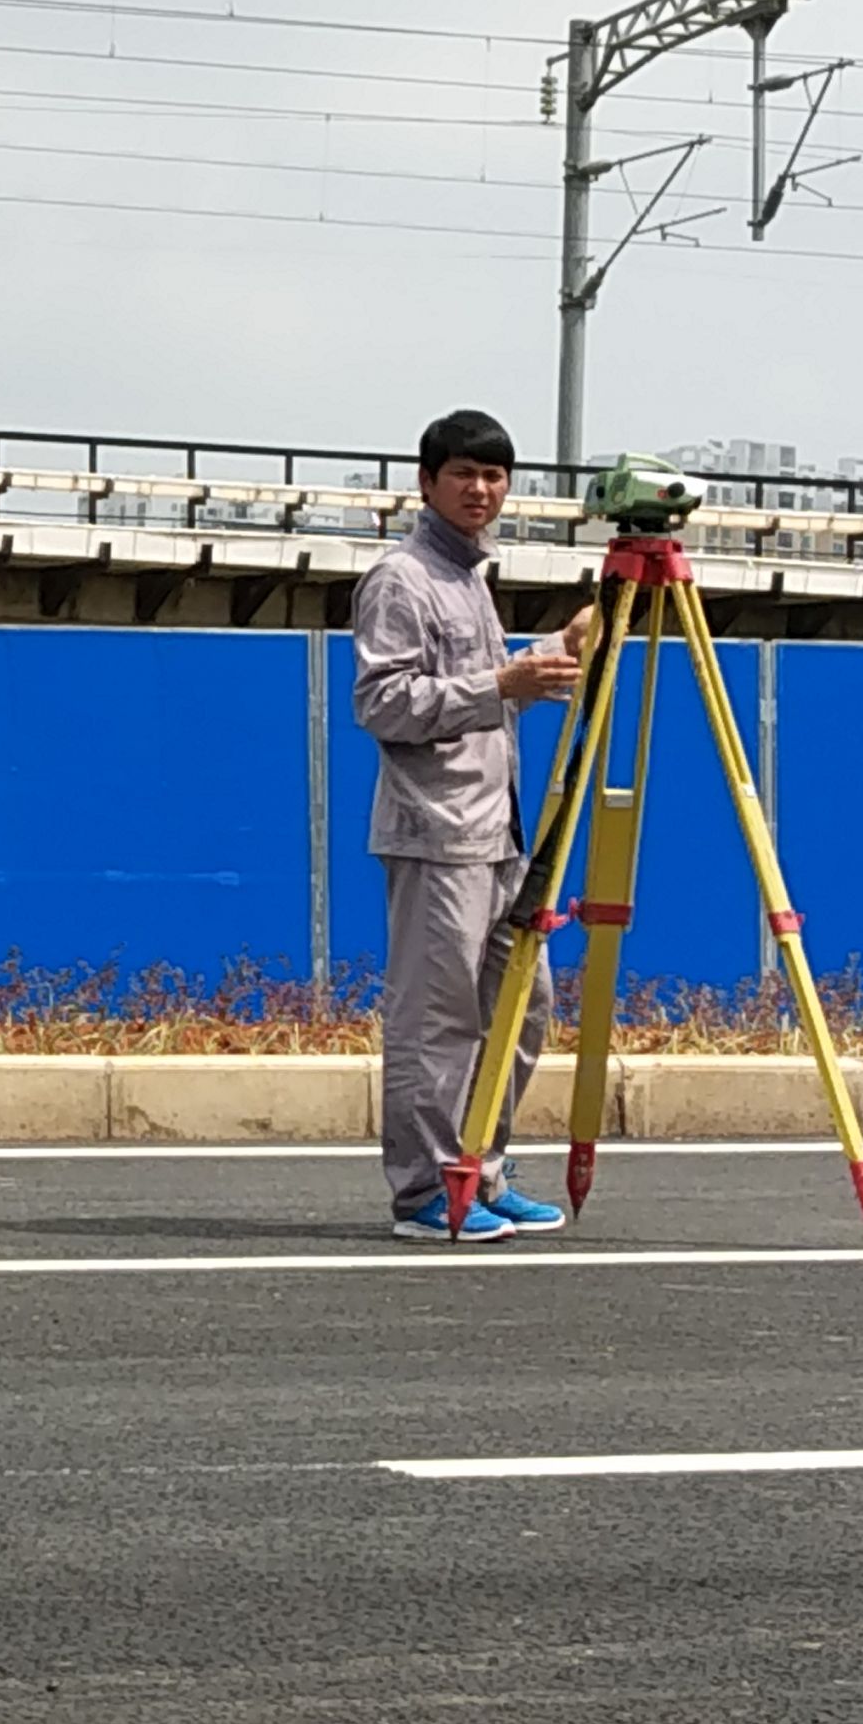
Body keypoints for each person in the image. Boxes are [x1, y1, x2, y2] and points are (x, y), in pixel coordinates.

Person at [353, 409, 588, 1245]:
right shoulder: (402, 579)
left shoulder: (472, 577)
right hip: (437, 830)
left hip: (501, 830)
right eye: (462, 473)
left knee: (519, 1012)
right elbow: (382, 703)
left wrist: (555, 649)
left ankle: (479, 1169)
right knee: (437, 1018)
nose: (479, 489)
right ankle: (426, 1188)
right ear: (426, 482)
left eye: (492, 476)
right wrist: (501, 685)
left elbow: (494, 684)